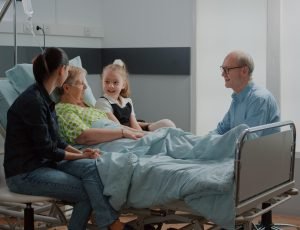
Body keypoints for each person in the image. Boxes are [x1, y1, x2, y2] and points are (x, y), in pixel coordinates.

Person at [3, 47, 127, 230]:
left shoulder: (45, 98)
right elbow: (48, 150)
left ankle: (108, 223)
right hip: (25, 174)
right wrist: (80, 157)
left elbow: (57, 141)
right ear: (62, 70)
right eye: (68, 69)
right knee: (86, 191)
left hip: (44, 163)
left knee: (93, 167)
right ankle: (110, 224)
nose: (68, 73)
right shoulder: (33, 102)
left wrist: (82, 153)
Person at [95, 59, 176, 132]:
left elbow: (134, 124)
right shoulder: (102, 102)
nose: (110, 85)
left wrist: (142, 134)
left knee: (168, 124)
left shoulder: (127, 101)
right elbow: (117, 127)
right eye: (107, 82)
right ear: (102, 82)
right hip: (122, 133)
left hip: (133, 130)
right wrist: (142, 135)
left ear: (123, 85)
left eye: (115, 82)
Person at [215, 50, 280, 136]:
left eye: (227, 69)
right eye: (222, 69)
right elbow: (221, 130)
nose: (223, 74)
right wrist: (202, 142)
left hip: (257, 149)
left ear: (244, 71)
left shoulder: (259, 99)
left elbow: (247, 141)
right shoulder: (237, 99)